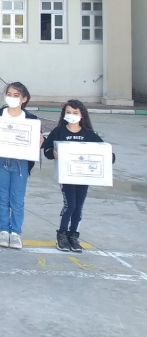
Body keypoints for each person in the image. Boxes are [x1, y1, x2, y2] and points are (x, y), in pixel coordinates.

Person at [42, 100, 113, 253]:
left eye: (75, 113)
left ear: (82, 115)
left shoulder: (89, 134)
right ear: (64, 114)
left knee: (78, 207)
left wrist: (108, 156)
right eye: (68, 112)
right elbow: (46, 150)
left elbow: (105, 152)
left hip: (83, 177)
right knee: (70, 205)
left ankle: (73, 236)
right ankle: (61, 234)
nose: (72, 116)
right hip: (66, 177)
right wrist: (52, 153)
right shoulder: (58, 132)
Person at [0, 82, 39, 250]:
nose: (11, 98)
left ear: (24, 99)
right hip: (0, 160)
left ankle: (16, 233)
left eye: (16, 95)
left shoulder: (31, 120)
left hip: (21, 163)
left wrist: (39, 141)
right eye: (9, 94)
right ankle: (3, 231)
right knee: (2, 197)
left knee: (17, 199)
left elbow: (37, 141)